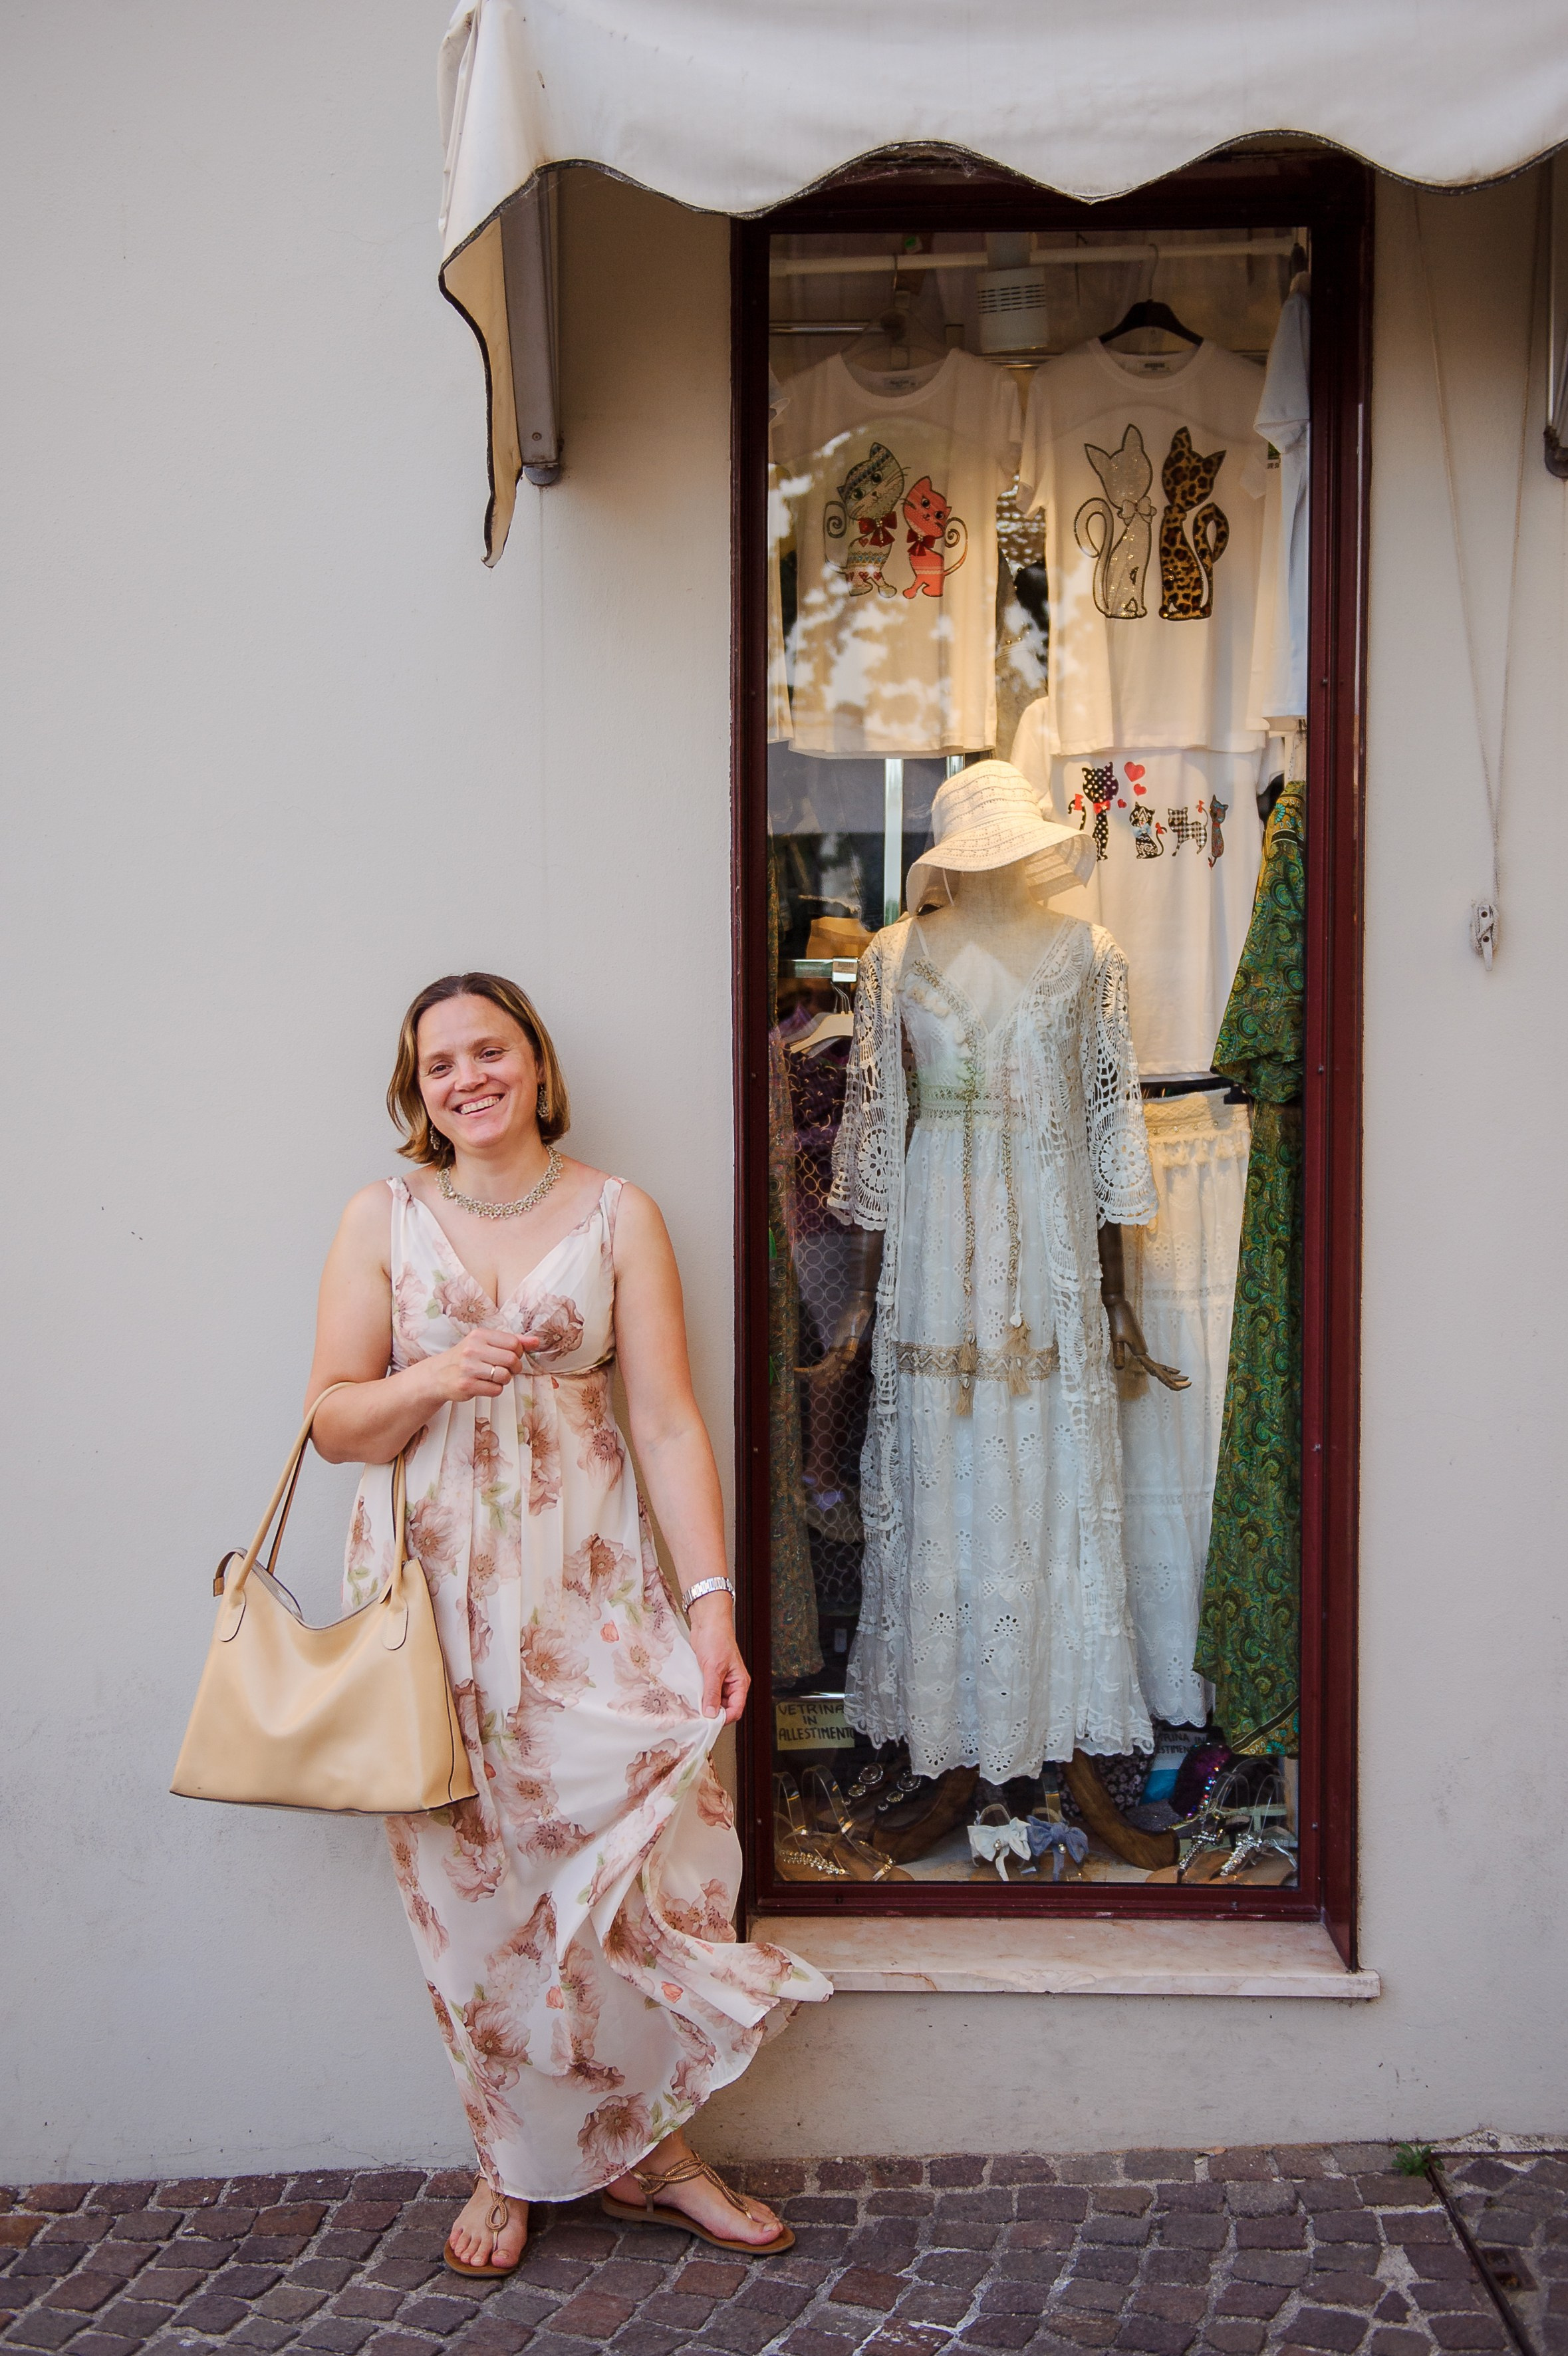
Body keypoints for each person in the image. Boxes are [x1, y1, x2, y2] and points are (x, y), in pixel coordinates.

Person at [305, 972, 830, 2276]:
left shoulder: (616, 1214)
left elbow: (664, 1421)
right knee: (474, 1905)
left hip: (590, 1607)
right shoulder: (382, 1215)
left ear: (535, 1062)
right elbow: (330, 1420)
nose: (469, 1077)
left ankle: (654, 2151)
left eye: (492, 1049)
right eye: (441, 1064)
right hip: (425, 1620)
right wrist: (433, 1372)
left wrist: (712, 1606)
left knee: (636, 1879)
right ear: (415, 1091)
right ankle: (507, 2156)